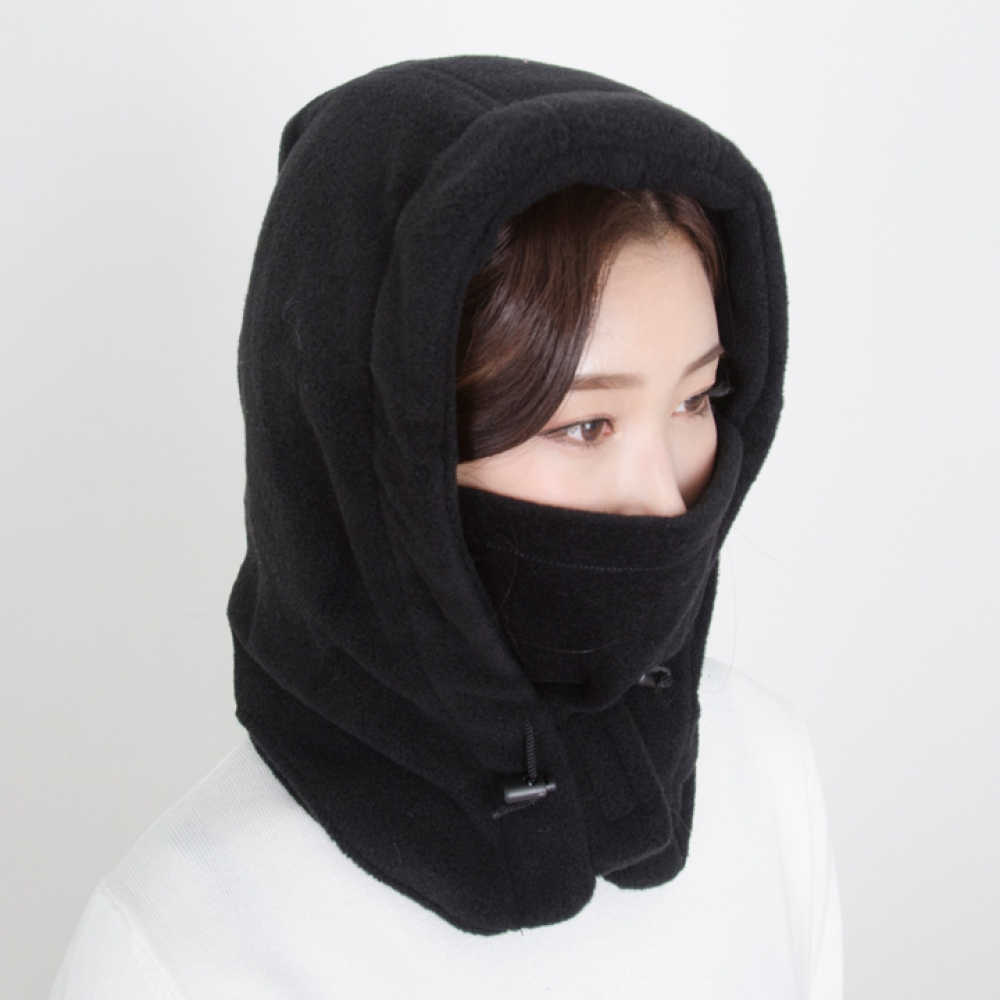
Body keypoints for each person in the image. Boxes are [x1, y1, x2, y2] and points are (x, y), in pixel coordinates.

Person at [51, 55, 843, 998]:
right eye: (585, 425)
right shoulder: (177, 949)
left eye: (696, 400)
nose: (668, 502)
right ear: (376, 451)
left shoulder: (768, 776)